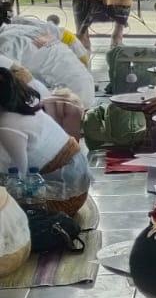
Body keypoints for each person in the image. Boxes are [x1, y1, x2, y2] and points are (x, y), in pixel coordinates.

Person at [0, 67, 90, 213]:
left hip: (64, 197)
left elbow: (18, 179)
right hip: (74, 180)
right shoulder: (23, 106)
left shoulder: (7, 126)